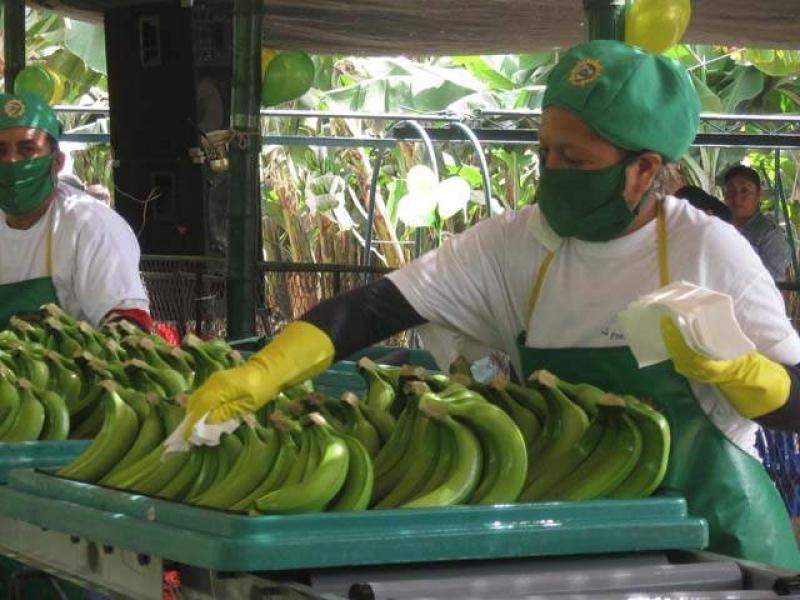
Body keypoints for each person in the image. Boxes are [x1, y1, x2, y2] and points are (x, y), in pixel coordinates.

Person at [185, 41, 800, 569]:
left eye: (576, 160)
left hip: (724, 549)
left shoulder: (707, 248)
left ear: (644, 171)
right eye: (546, 154)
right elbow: (375, 309)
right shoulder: (517, 242)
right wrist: (261, 372)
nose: (553, 172)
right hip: (591, 545)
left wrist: (754, 379)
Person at [0, 92, 151, 330]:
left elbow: (128, 324)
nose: (11, 162)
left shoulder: (91, 225)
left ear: (57, 162)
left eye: (26, 150)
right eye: (1, 151)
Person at [723, 165, 791, 281]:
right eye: (731, 191)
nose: (737, 197)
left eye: (745, 191)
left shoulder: (770, 234)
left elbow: (771, 282)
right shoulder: (717, 226)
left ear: (758, 194)